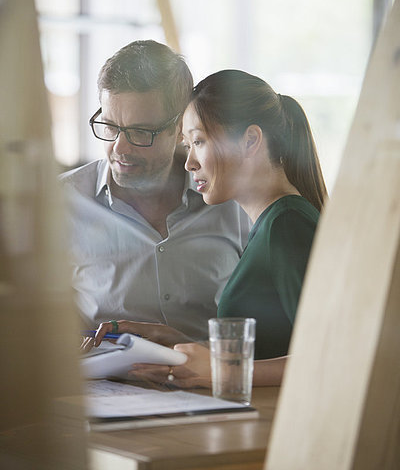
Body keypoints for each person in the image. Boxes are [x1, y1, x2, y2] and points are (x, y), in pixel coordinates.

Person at [93, 69, 327, 387]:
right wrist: (173, 340)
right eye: (188, 145)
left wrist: (221, 370)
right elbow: (270, 346)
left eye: (199, 141)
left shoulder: (287, 223)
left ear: (250, 141)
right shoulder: (270, 222)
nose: (190, 162)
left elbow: (329, 354)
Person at [61, 43, 250, 342]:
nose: (120, 149)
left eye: (140, 132)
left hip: (211, 384)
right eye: (110, 127)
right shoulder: (61, 204)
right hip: (105, 385)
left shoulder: (234, 200)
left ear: (180, 128)